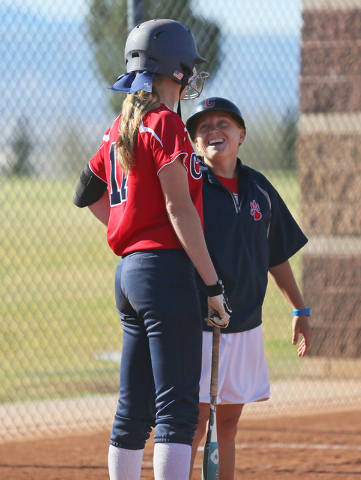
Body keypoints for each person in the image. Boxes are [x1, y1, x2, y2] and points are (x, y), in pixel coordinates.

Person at [73, 21, 231, 480]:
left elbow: (86, 192)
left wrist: (128, 227)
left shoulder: (118, 126)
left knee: (133, 409)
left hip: (130, 276)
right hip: (165, 274)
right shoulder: (165, 124)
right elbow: (180, 210)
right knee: (177, 410)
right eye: (187, 69)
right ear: (174, 70)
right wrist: (213, 285)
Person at [185, 97, 313, 480]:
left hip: (246, 327)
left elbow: (276, 256)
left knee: (227, 424)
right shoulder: (189, 186)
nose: (213, 131)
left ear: (241, 134)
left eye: (223, 123)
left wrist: (300, 309)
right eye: (203, 127)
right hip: (199, 326)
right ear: (193, 142)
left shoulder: (260, 188)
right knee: (192, 423)